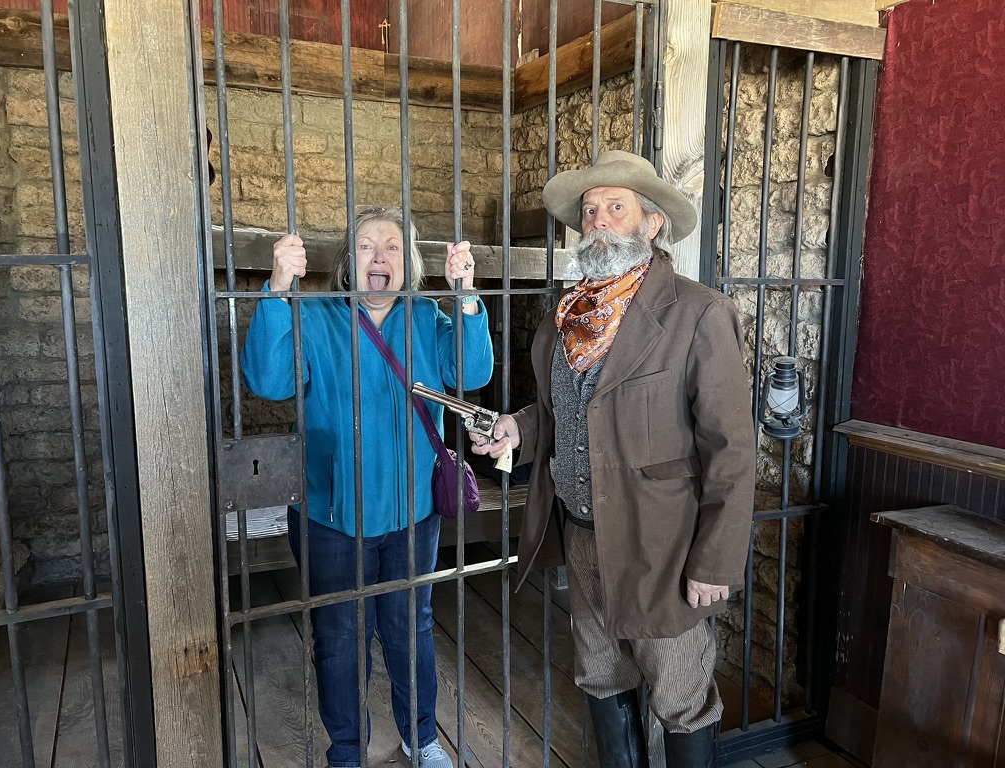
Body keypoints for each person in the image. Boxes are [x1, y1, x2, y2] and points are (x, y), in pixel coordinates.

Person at [470, 151, 755, 768]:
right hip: (583, 536)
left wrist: (714, 560)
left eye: (615, 208)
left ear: (652, 224)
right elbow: (568, 412)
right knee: (602, 676)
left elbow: (732, 450)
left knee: (680, 696)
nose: (596, 221)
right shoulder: (563, 321)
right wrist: (517, 429)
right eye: (589, 211)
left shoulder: (698, 313)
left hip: (665, 546)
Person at [241, 205, 494, 768]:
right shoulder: (319, 314)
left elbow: (473, 372)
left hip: (412, 509)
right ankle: (348, 751)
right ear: (347, 263)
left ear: (409, 264)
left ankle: (421, 737)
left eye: (392, 247)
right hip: (331, 512)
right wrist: (279, 287)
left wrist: (468, 294)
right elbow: (266, 379)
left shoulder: (427, 316)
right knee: (337, 638)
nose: (380, 257)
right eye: (366, 246)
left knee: (411, 628)